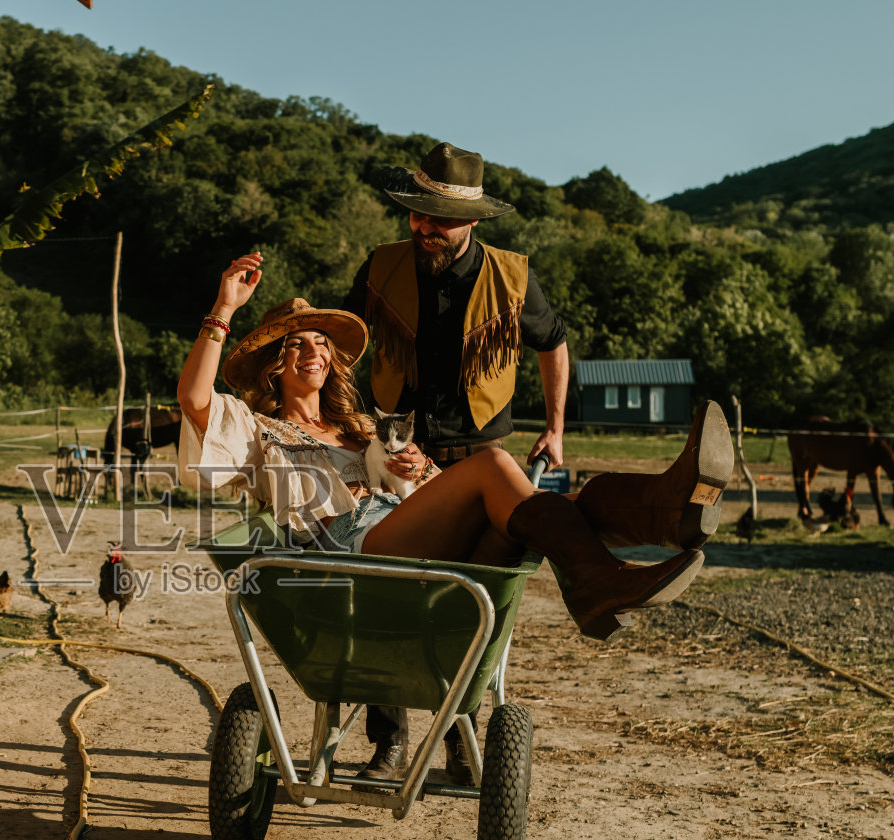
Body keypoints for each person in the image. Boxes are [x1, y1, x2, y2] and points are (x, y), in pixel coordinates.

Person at [339, 142, 722, 781]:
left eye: (440, 218)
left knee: (475, 598)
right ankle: (655, 520)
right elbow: (344, 340)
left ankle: (461, 742)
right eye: (417, 214)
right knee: (403, 597)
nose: (425, 228)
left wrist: (556, 426)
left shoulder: (511, 277)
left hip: (478, 450)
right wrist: (348, 426)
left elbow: (555, 342)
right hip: (402, 454)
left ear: (474, 222)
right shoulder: (382, 266)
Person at [176, 253, 727, 664]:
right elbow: (195, 400)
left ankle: (663, 514)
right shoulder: (256, 430)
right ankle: (616, 561)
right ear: (275, 363)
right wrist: (223, 309)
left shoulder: (363, 428)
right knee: (493, 465)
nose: (313, 350)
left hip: (403, 538)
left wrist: (414, 471)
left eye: (320, 341)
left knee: (533, 509)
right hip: (344, 558)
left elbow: (419, 492)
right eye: (295, 343)